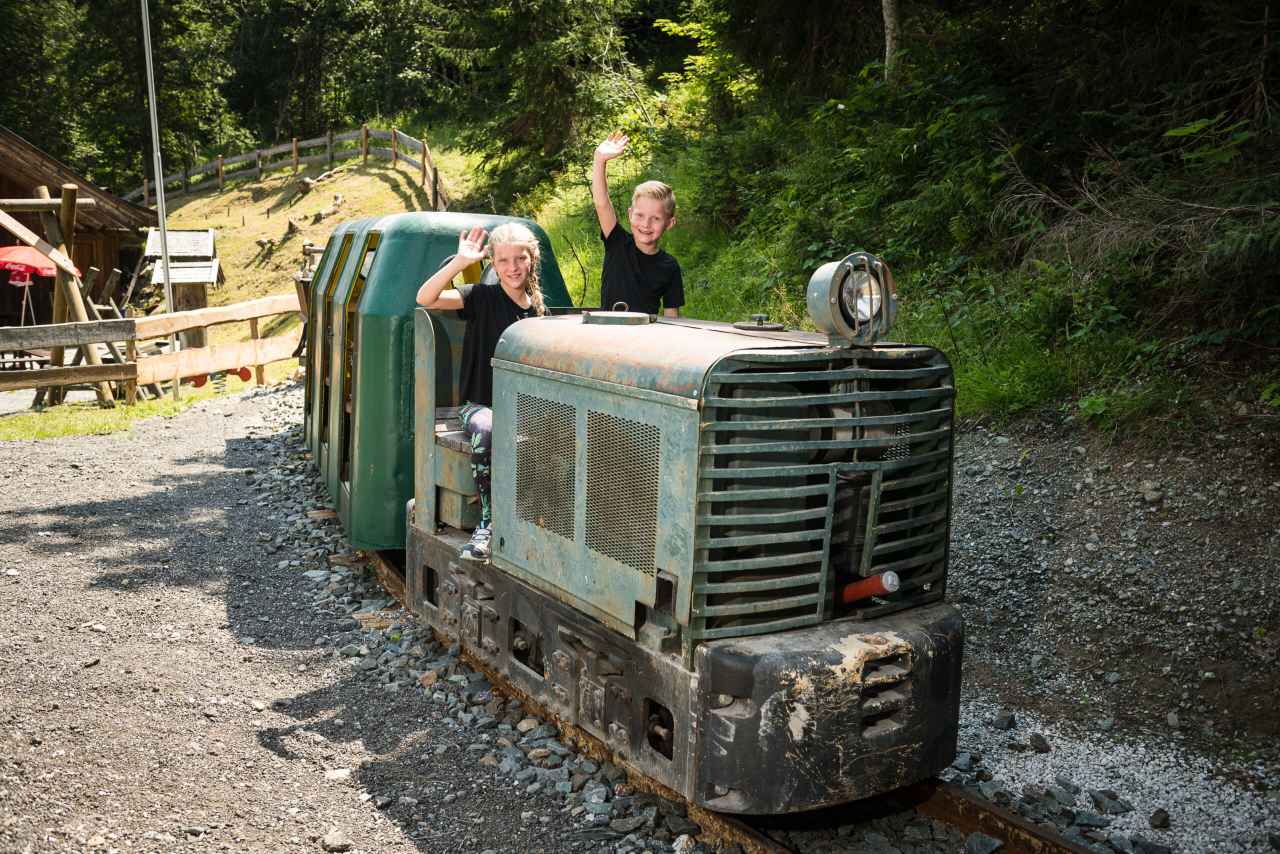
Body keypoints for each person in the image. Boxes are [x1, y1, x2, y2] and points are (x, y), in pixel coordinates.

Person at [416, 223, 546, 560]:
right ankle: (488, 523)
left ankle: (540, 520)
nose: (512, 267)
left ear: (532, 260)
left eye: (520, 258)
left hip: (523, 408)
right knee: (488, 429)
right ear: (493, 264)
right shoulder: (482, 297)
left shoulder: (537, 311)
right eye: (503, 260)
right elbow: (425, 298)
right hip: (480, 405)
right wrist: (460, 263)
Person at [591, 131, 684, 317]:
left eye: (656, 218)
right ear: (630, 214)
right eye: (640, 215)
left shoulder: (670, 266)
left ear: (669, 223)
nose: (646, 224)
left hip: (643, 341)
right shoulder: (617, 243)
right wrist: (599, 160)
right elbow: (602, 204)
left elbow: (672, 317)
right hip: (605, 336)